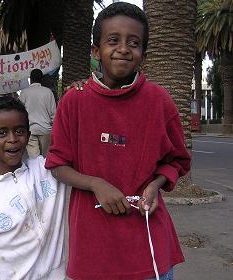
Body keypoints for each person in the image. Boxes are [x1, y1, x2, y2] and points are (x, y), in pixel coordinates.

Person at [45, 2, 191, 280]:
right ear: (96, 51)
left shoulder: (160, 102)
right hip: (93, 250)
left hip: (148, 245)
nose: (123, 48)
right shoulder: (74, 102)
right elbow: (57, 164)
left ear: (143, 55)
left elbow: (176, 161)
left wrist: (155, 185)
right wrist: (95, 183)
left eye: (133, 42)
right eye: (113, 40)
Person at [0, 96, 66, 279]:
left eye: (19, 131)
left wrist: (79, 94)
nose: (13, 139)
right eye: (2, 133)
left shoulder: (47, 170)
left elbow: (77, 140)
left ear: (28, 134)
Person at [19, 68, 56, 158]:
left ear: (30, 79)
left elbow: (20, 112)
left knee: (34, 159)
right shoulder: (48, 92)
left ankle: (36, 171)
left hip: (30, 130)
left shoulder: (24, 93)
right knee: (45, 158)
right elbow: (54, 113)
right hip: (46, 130)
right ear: (42, 79)